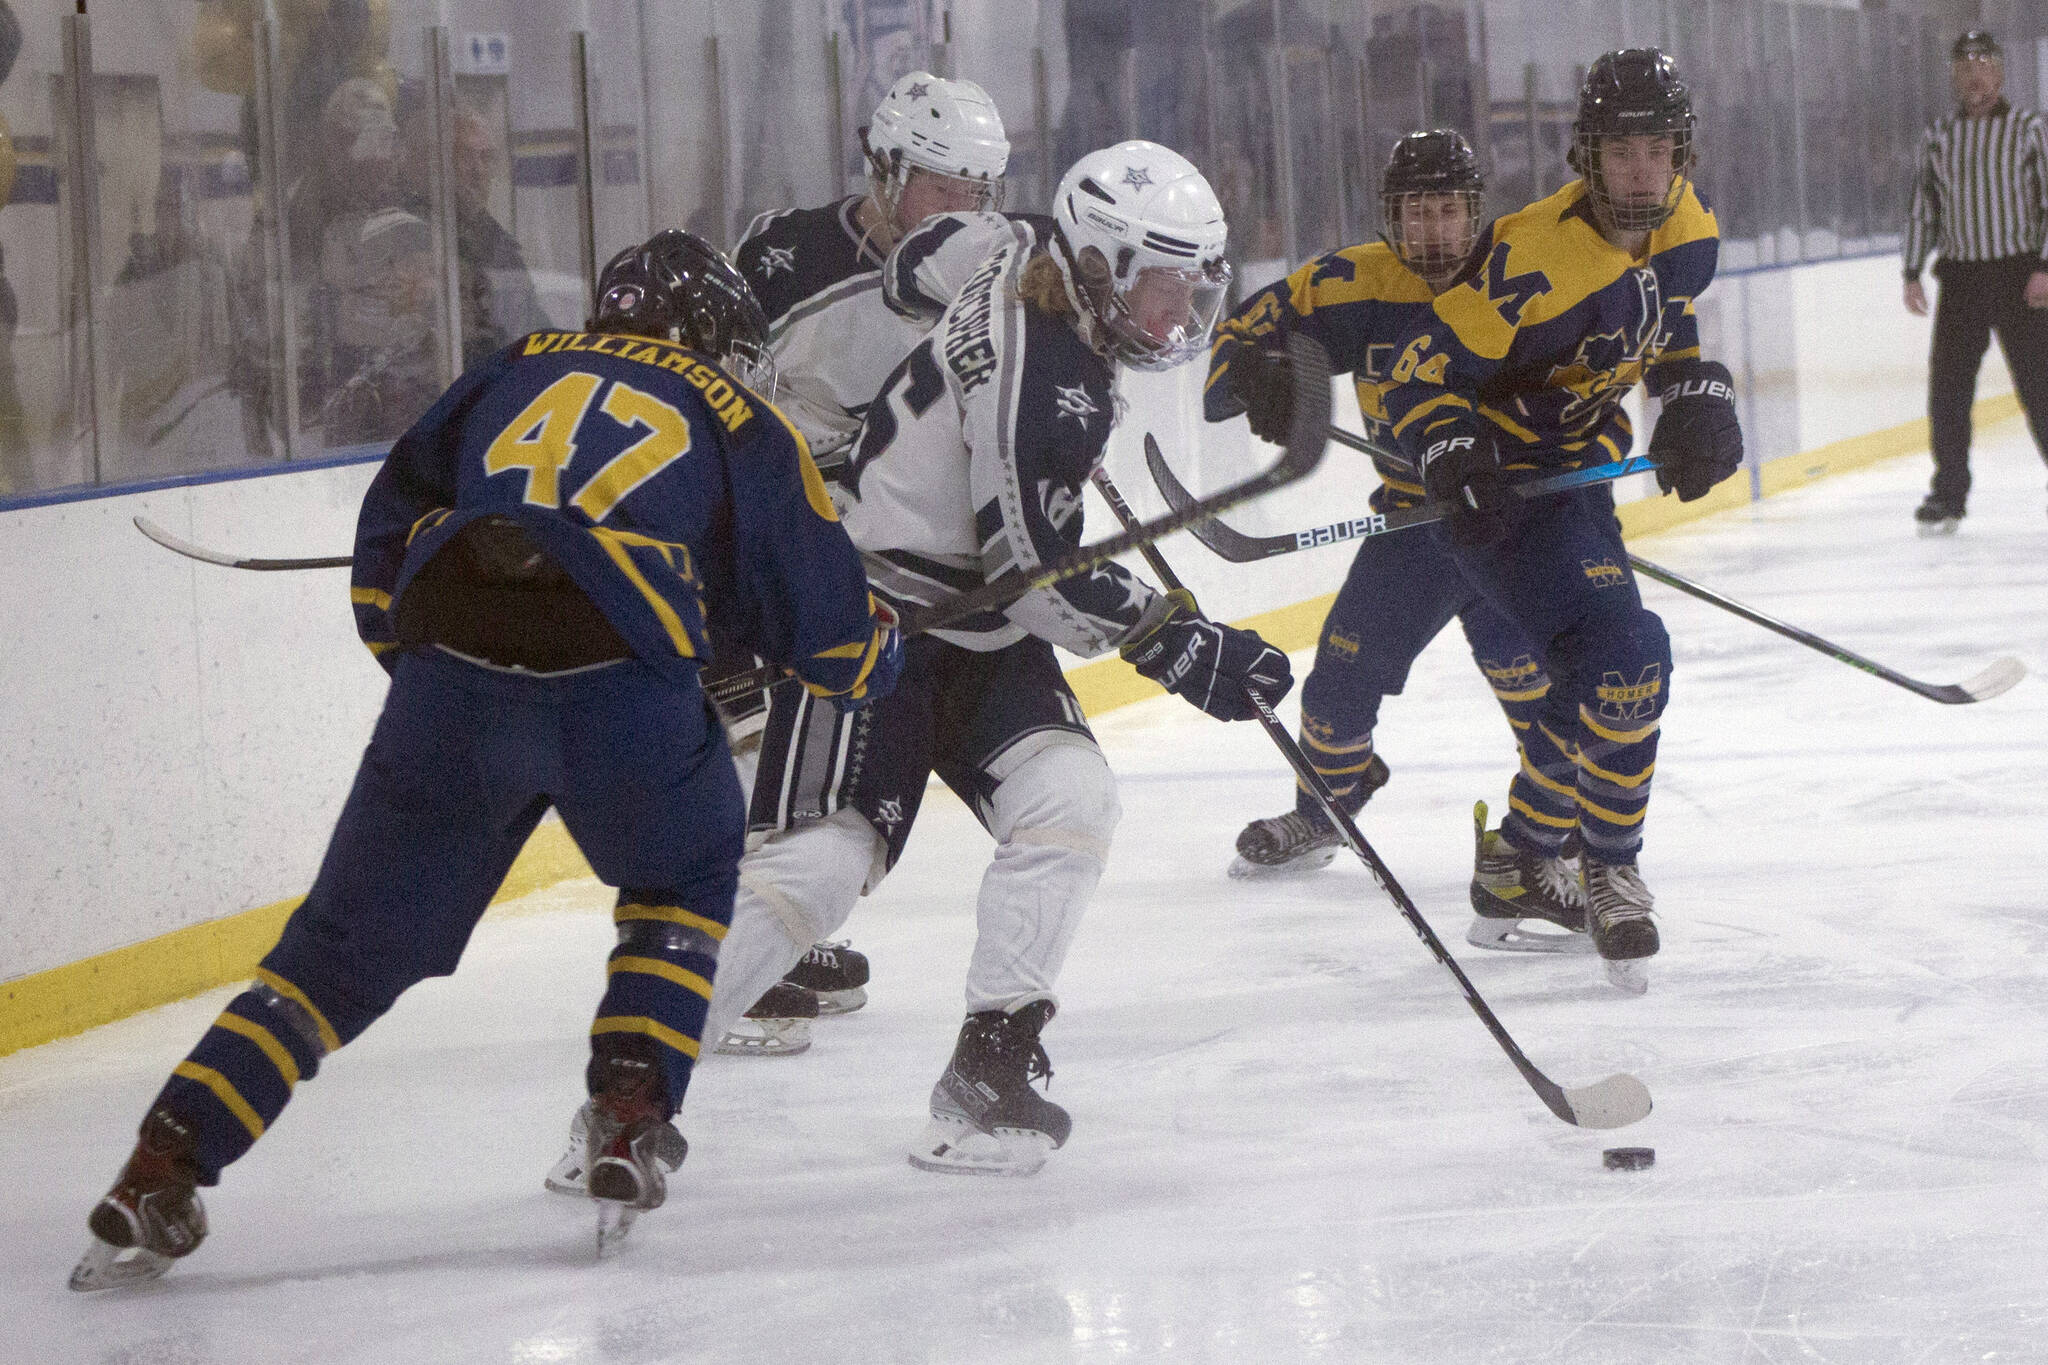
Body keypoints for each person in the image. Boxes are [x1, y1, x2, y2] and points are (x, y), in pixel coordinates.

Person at [68, 230, 902, 1289]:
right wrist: (875, 656)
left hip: (450, 682)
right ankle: (627, 1119)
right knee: (685, 873)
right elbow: (823, 631)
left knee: (334, 956)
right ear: (707, 336)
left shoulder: (509, 367)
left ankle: (161, 1162)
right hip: (621, 699)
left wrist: (443, 679)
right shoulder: (732, 411)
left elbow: (386, 547)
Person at [562, 140, 1293, 1182]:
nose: (1180, 318)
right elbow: (1037, 575)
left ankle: (989, 1071)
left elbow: (919, 260)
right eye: (1169, 289)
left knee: (1069, 802)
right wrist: (1186, 647)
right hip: (871, 626)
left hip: (973, 631)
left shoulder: (1023, 243)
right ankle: (621, 1103)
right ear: (1103, 268)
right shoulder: (1044, 370)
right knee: (816, 867)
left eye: (1194, 289)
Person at [1374, 50, 1744, 992]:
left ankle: (1518, 858)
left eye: (1658, 148)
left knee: (1598, 678)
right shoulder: (1532, 260)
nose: (1642, 172)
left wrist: (1695, 391)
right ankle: (1607, 865)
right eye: (1622, 150)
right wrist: (1452, 452)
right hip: (1504, 500)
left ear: (1681, 152)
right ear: (1587, 153)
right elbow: (1418, 372)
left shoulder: (1688, 221)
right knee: (1628, 663)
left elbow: (1671, 312)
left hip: (1575, 478)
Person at [1215, 131, 1591, 959]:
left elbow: (1590, 383)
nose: (1431, 231)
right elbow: (1233, 339)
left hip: (1509, 530)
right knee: (1334, 691)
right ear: (1392, 215)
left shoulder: (1522, 275)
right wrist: (1269, 375)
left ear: (1475, 212)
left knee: (1550, 703)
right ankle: (1326, 807)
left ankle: (1553, 841)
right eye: (1416, 212)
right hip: (1414, 531)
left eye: (1447, 210)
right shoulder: (1354, 281)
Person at [702, 70, 1013, 1053]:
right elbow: (711, 390)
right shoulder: (780, 254)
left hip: (866, 554)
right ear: (882, 170)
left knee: (805, 760)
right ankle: (727, 965)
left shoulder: (982, 273)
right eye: (940, 186)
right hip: (761, 538)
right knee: (754, 741)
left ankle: (759, 948)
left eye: (977, 190)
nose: (961, 210)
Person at [1901, 28, 2048, 535]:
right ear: (1954, 75)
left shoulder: (2030, 129)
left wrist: (2044, 268)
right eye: (1964, 65)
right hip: (1962, 277)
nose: (1974, 74)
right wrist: (1911, 270)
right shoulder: (1939, 135)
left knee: (2041, 386)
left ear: (2001, 71)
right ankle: (1948, 495)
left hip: (2019, 275)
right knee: (1948, 390)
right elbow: (1924, 207)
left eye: (1983, 63)